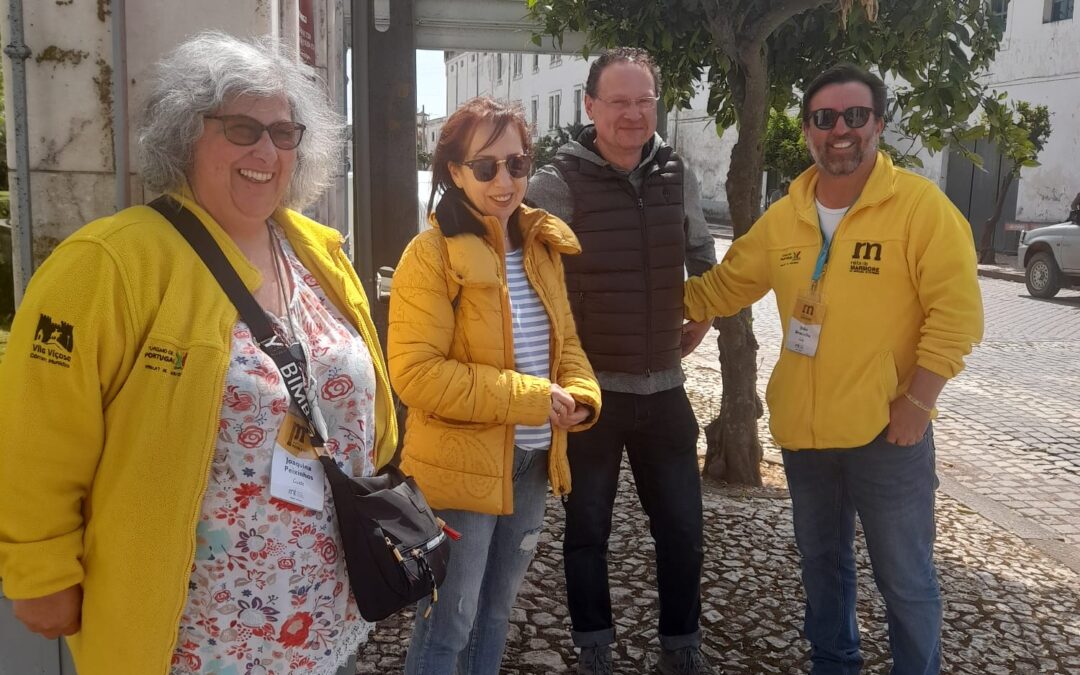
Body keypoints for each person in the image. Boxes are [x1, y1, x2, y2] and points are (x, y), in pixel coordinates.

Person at [0, 32, 397, 675]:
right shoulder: (110, 262)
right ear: (186, 135)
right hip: (192, 636)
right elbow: (36, 432)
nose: (266, 149)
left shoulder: (317, 251)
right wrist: (38, 569)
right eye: (241, 128)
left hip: (324, 614)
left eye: (284, 132)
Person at [684, 63, 984, 674]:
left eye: (855, 116)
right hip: (807, 436)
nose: (839, 130)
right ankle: (833, 664)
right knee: (823, 568)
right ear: (807, 130)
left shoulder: (921, 209)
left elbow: (956, 318)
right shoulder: (786, 215)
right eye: (824, 118)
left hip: (887, 433)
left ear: (879, 123)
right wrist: (667, 314)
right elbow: (726, 283)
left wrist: (918, 405)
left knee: (905, 577)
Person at [387, 96, 601, 674]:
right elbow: (416, 373)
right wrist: (532, 398)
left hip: (531, 461)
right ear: (455, 172)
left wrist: (583, 395)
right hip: (459, 466)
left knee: (497, 612)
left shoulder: (540, 246)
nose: (504, 180)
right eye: (486, 166)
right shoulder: (429, 254)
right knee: (450, 617)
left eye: (518, 163)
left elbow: (566, 346)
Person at [526, 48, 718, 675]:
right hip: (591, 394)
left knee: (684, 531)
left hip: (664, 389)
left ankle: (681, 647)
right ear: (590, 107)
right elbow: (526, 273)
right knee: (586, 532)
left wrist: (704, 311)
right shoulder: (557, 182)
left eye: (644, 100)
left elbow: (699, 250)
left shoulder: (675, 173)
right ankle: (593, 647)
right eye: (618, 101)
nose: (633, 114)